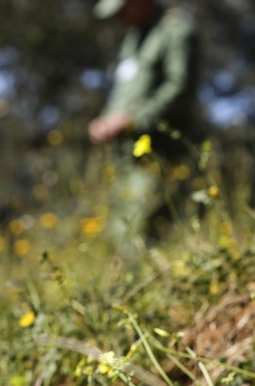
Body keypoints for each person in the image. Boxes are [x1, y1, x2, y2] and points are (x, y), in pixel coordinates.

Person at [89, 0, 200, 244]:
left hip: (158, 154)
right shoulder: (133, 39)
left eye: (121, 9)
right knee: (121, 230)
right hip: (124, 157)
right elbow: (124, 92)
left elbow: (180, 89)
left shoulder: (176, 30)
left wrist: (133, 120)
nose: (118, 17)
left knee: (143, 231)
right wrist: (106, 119)